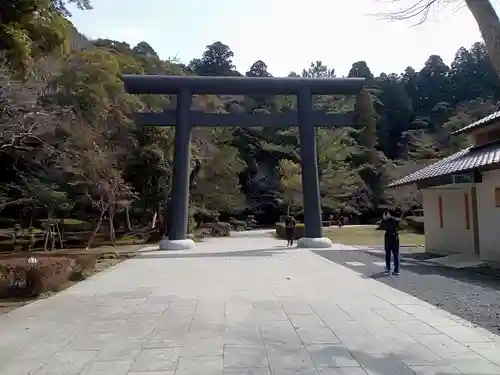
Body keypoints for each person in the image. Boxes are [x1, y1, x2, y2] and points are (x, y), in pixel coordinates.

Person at [381, 209, 401, 275]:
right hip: (395, 238)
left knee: (388, 253)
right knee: (396, 254)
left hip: (388, 238)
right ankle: (396, 270)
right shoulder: (396, 220)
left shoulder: (386, 221)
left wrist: (384, 218)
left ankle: (388, 267)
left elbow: (382, 226)